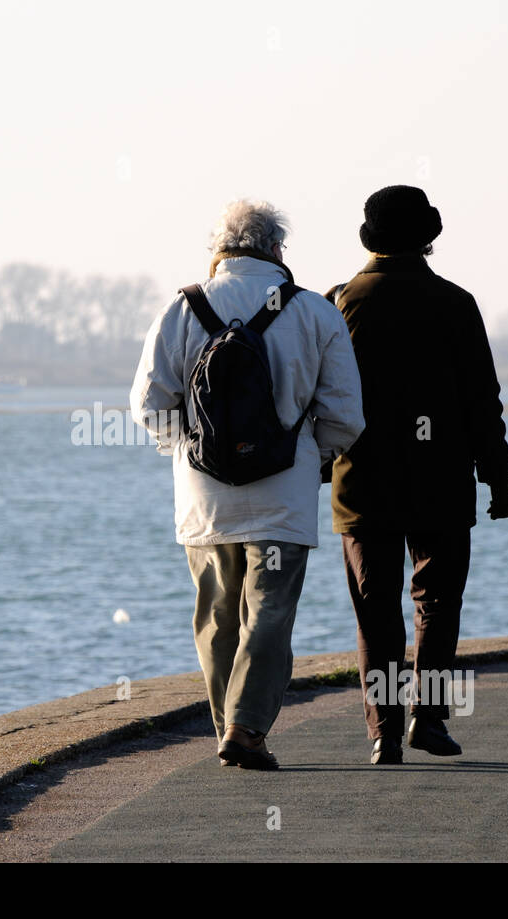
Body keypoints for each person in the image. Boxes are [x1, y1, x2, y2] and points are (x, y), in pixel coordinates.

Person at [131, 199, 365, 770]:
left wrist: (189, 449)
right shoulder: (315, 312)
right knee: (269, 614)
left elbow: (146, 405)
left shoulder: (181, 309)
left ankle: (227, 727)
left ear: (218, 251)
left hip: (203, 501)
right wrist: (312, 459)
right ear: (277, 250)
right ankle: (246, 728)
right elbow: (345, 415)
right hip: (283, 497)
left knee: (216, 616)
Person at [325, 185, 508, 765]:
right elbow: (484, 400)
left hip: (362, 485)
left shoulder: (339, 302)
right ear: (429, 236)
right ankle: (427, 721)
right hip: (441, 482)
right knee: (436, 604)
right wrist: (498, 477)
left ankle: (383, 729)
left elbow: (320, 398)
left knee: (375, 609)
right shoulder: (457, 304)